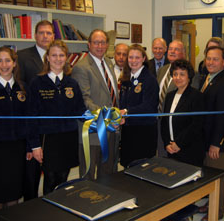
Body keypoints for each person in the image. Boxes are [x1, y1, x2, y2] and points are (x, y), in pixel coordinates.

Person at [0, 47, 40, 211]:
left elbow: (29, 121)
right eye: (0, 61)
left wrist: (29, 147)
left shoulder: (23, 88)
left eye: (8, 60)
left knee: (14, 193)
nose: (4, 65)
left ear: (14, 63)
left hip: (17, 149)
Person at [30, 40, 86, 195]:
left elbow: (80, 110)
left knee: (63, 179)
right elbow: (31, 117)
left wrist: (99, 117)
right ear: (47, 57)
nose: (57, 59)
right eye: (53, 55)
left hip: (68, 138)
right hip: (49, 139)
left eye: (61, 55)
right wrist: (35, 145)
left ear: (66, 57)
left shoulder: (72, 83)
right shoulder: (37, 83)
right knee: (49, 180)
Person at [72, 29, 119, 179]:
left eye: (103, 42)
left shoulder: (108, 62)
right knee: (89, 175)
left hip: (110, 130)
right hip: (92, 131)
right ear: (89, 44)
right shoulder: (82, 67)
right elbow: (85, 100)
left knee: (107, 173)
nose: (100, 46)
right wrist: (110, 117)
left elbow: (112, 95)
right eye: (96, 42)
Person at [196, 46, 224, 220]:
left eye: (215, 59)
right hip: (206, 137)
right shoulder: (208, 78)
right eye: (209, 58)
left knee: (219, 176)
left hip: (217, 141)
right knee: (210, 175)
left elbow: (222, 117)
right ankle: (210, 204)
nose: (211, 62)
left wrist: (216, 143)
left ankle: (217, 210)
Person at [17, 20, 55, 201]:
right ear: (35, 35)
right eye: (42, 32)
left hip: (52, 128)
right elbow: (20, 90)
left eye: (49, 33)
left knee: (51, 174)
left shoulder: (57, 56)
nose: (45, 36)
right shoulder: (23, 57)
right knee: (31, 177)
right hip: (32, 125)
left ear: (53, 36)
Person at [119, 44, 159, 167]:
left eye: (137, 57)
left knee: (142, 169)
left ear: (143, 59)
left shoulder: (149, 79)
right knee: (128, 166)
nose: (133, 61)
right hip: (128, 131)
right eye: (131, 57)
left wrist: (126, 111)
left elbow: (148, 106)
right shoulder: (126, 79)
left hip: (143, 132)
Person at [161, 59, 204, 167]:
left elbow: (196, 125)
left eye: (182, 74)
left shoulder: (196, 96)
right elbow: (164, 122)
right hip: (171, 149)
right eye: (175, 74)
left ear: (189, 76)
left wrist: (179, 144)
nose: (178, 78)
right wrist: (167, 143)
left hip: (189, 149)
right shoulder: (170, 96)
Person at [157, 39, 185, 157]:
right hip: (159, 120)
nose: (172, 52)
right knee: (161, 155)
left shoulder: (188, 73)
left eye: (176, 49)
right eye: (170, 49)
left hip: (175, 124)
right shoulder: (162, 70)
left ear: (183, 53)